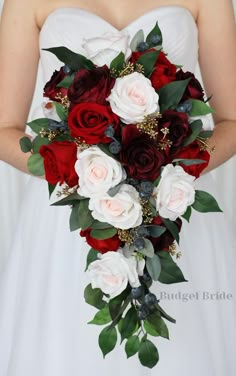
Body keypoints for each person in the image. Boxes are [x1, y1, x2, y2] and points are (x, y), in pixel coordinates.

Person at [0, 0, 235, 375]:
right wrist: (85, 172)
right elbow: (4, 129)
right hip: (68, 218)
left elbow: (232, 119)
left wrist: (170, 163)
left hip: (173, 210)